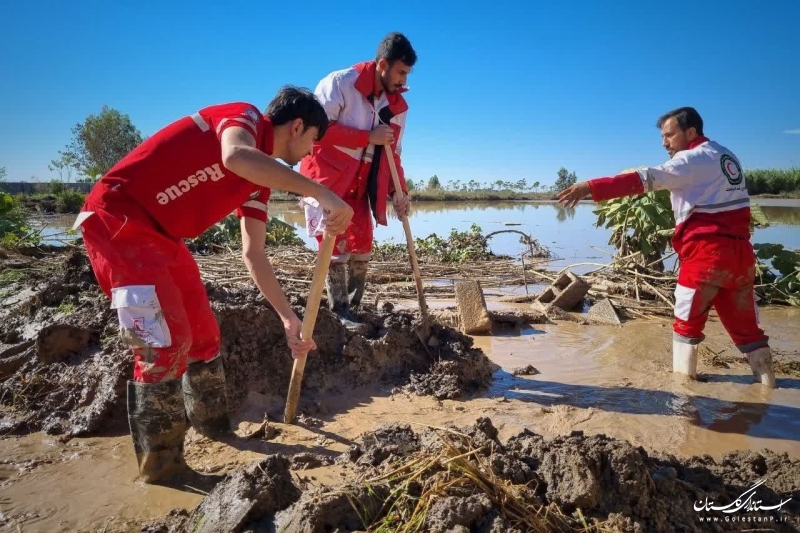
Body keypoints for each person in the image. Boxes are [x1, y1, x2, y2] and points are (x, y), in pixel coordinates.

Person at [72, 86, 354, 483]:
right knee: (163, 344)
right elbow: (235, 156)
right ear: (297, 126)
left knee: (204, 336)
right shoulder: (244, 118)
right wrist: (322, 192)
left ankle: (213, 428)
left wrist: (289, 319)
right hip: (117, 221)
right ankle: (163, 471)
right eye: (312, 141)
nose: (311, 153)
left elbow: (253, 254)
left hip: (164, 237)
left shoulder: (261, 180)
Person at [557, 106, 775, 388]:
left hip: (705, 255)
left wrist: (591, 186)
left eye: (670, 135)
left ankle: (683, 397)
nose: (664, 143)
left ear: (691, 132)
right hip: (741, 257)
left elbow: (646, 178)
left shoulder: (690, 159)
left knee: (685, 325)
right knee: (748, 331)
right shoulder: (725, 155)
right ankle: (768, 388)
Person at [299, 32, 417, 328]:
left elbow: (393, 154)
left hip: (362, 182)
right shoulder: (339, 83)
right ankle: (338, 311)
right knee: (333, 243)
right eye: (400, 72)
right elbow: (315, 132)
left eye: (407, 74)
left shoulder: (398, 107)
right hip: (326, 179)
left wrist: (399, 192)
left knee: (362, 242)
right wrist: (367, 136)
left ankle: (353, 307)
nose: (404, 81)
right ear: (382, 65)